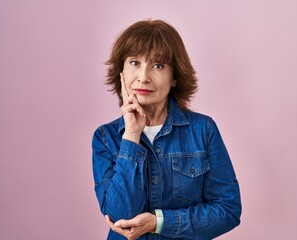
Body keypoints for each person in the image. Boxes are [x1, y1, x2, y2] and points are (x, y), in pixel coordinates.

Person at [92, 19, 242, 240]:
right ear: (121, 72)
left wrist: (159, 223)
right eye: (135, 63)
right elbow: (120, 217)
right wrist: (131, 136)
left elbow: (228, 210)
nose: (143, 77)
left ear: (174, 78)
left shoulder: (203, 130)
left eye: (158, 65)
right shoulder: (106, 138)